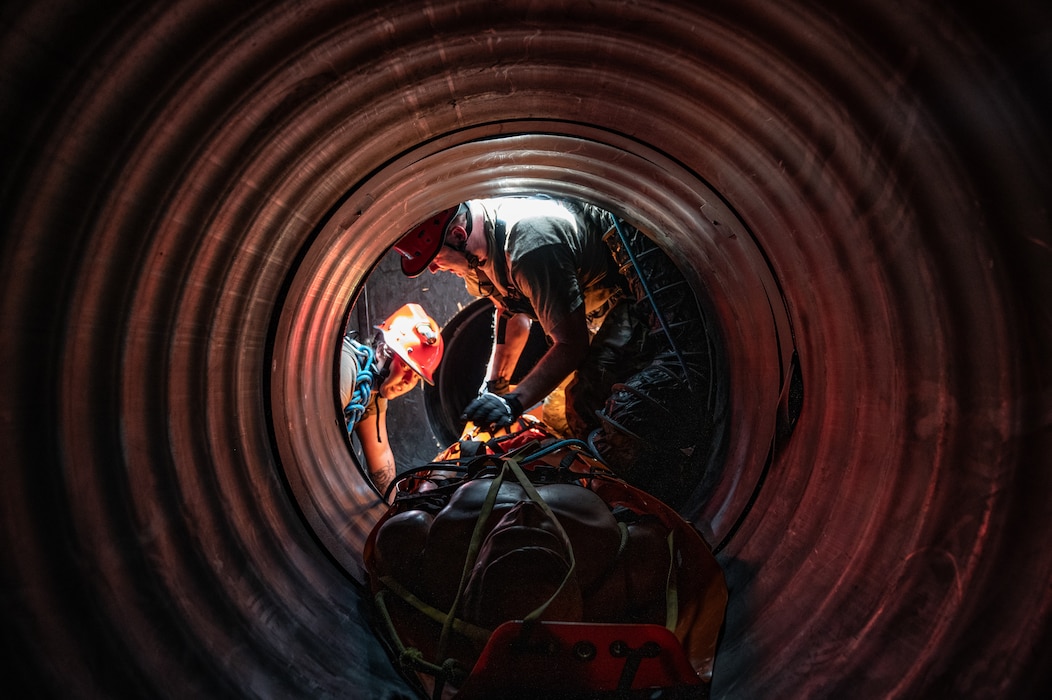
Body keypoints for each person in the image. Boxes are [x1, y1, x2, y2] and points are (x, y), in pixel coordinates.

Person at [393, 197, 646, 437]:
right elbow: (509, 310)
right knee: (556, 416)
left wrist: (513, 403)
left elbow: (572, 344)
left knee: (583, 408)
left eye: (435, 259)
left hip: (625, 305)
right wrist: (494, 386)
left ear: (459, 235)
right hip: (586, 317)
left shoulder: (529, 250)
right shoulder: (474, 255)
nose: (435, 270)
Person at [339, 303, 443, 497]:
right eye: (405, 367)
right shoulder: (345, 368)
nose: (407, 382)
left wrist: (390, 511)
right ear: (382, 351)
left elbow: (380, 456)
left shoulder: (371, 394)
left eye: (416, 376)